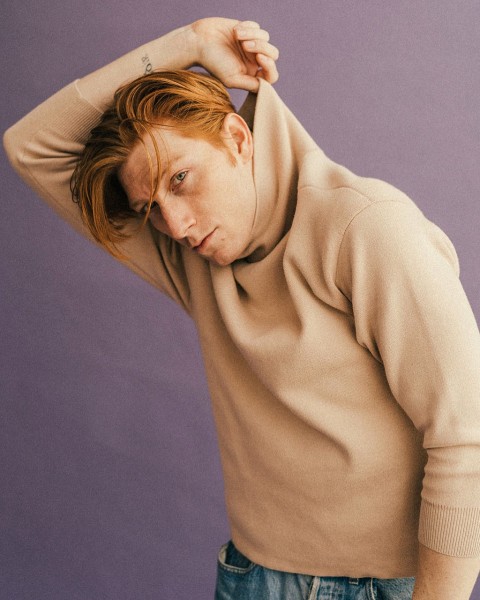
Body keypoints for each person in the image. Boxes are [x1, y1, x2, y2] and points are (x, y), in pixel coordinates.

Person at [4, 17, 480, 600]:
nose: (176, 224)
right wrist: (191, 43)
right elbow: (30, 147)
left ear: (237, 137)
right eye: (151, 208)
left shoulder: (365, 227)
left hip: (380, 588)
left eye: (181, 179)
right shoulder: (195, 258)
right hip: (248, 575)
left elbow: (468, 437)